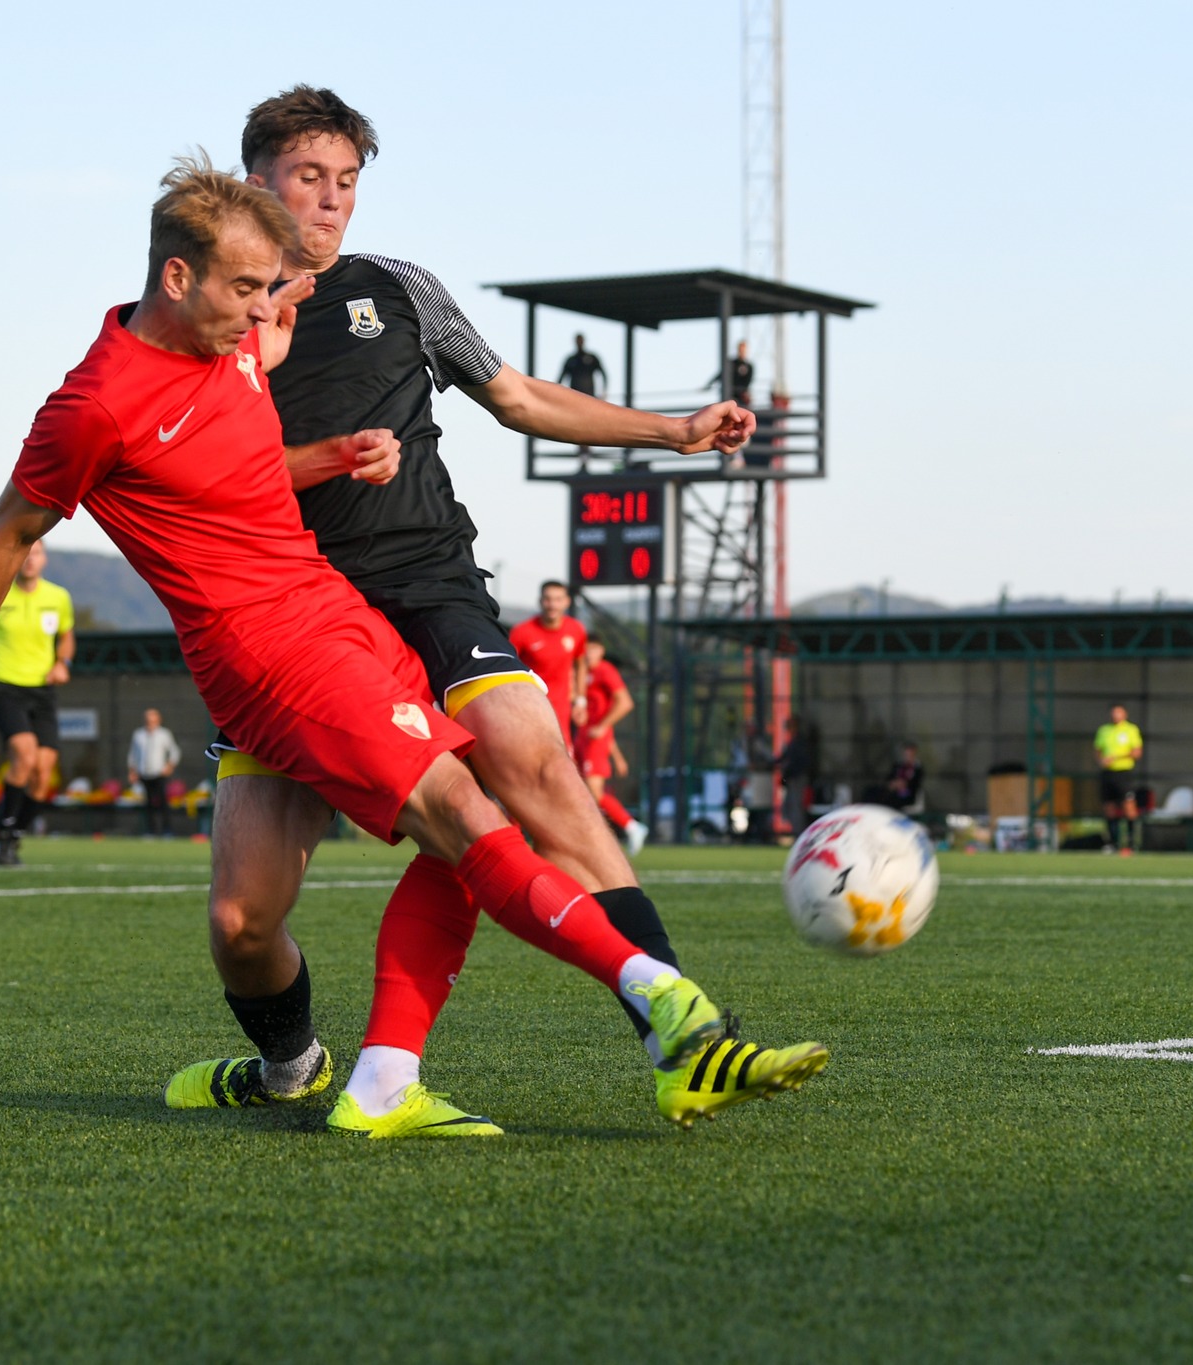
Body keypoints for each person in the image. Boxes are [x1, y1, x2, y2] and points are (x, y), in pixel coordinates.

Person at [0, 155, 822, 1141]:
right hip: (263, 658)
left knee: (472, 806)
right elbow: (8, 535)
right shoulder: (95, 406)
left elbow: (235, 467)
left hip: (334, 623)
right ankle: (598, 1010)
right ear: (177, 279)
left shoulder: (244, 343)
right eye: (246, 290)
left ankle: (514, 1046)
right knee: (287, 904)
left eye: (270, 291)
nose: (263, 313)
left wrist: (331, 449)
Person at [211, 89, 823, 1128]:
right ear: (255, 180)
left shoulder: (398, 289)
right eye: (308, 176)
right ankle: (291, 1066)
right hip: (290, 616)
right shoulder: (212, 319)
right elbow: (193, 473)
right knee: (242, 920)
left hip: (428, 582)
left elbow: (520, 398)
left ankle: (685, 1041)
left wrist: (671, 434)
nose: (330, 201)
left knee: (533, 768)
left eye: (347, 181)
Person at [0, 540, 73, 864]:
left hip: (43, 690)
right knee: (24, 754)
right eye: (24, 552)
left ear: (44, 559)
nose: (29, 559)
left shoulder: (58, 597)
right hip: (4, 685)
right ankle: (5, 835)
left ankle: (11, 835)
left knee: (43, 772)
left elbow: (66, 636)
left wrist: (62, 663)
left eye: (35, 553)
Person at [578, 634, 648, 855]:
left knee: (594, 792)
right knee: (582, 791)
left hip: (595, 740)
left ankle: (631, 826)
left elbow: (625, 702)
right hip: (584, 738)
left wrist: (603, 726)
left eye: (593, 649)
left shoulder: (605, 671)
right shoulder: (582, 674)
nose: (589, 653)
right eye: (586, 649)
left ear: (601, 651)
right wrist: (617, 756)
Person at [509, 581, 588, 749]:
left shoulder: (576, 629)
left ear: (567, 602)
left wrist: (580, 701)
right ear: (540, 601)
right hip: (529, 707)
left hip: (561, 709)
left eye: (558, 599)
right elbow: (507, 667)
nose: (553, 605)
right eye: (548, 599)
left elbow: (581, 664)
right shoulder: (522, 632)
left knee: (564, 760)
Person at [1093, 704, 1144, 853]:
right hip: (1108, 773)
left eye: (1119, 713)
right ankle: (1113, 843)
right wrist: (1102, 760)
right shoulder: (1104, 730)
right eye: (1114, 713)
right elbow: (1097, 750)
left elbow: (1136, 752)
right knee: (1109, 808)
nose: (1116, 716)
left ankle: (1132, 842)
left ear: (1124, 714)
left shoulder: (1131, 730)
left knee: (1129, 807)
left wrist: (1116, 757)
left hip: (1124, 772)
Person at [127, 708, 182, 837]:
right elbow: (133, 754)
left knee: (163, 802)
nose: (150, 723)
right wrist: (132, 771)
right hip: (144, 773)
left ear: (158, 721)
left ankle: (167, 830)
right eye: (148, 720)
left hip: (159, 774)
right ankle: (150, 831)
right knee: (148, 803)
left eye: (153, 720)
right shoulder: (138, 735)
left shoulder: (164, 734)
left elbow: (175, 751)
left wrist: (169, 766)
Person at [773, 714, 813, 837]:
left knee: (797, 806)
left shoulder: (799, 742)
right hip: (792, 778)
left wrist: (788, 772)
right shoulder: (793, 741)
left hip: (798, 778)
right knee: (790, 806)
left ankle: (799, 833)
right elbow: (782, 758)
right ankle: (796, 831)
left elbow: (798, 761)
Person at [863, 742, 924, 812]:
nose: (908, 756)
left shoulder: (917, 769)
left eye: (910, 754)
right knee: (871, 791)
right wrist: (893, 783)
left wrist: (903, 785)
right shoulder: (898, 766)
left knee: (892, 798)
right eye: (906, 754)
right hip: (892, 790)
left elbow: (915, 784)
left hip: (906, 794)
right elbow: (889, 778)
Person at [706, 338, 755, 408]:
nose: (742, 351)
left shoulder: (749, 366)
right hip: (730, 395)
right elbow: (721, 375)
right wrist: (709, 384)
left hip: (741, 397)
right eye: (741, 349)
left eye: (744, 349)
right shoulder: (732, 363)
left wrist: (744, 392)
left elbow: (748, 381)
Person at [557, 334, 606, 398]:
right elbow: (561, 378)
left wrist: (604, 391)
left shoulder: (592, 358)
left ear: (583, 341)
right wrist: (557, 394)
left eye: (580, 340)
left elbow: (603, 374)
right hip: (574, 396)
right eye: (578, 341)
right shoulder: (571, 360)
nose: (579, 343)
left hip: (589, 395)